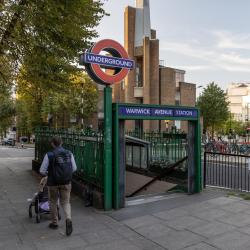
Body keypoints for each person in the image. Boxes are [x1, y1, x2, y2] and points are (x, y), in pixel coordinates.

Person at [39, 136, 77, 236]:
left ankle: (54, 223)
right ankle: (68, 218)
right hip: (66, 182)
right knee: (66, 202)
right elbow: (74, 168)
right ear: (62, 143)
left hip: (53, 183)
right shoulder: (69, 153)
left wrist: (49, 173)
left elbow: (42, 170)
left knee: (53, 201)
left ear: (52, 144)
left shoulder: (49, 155)